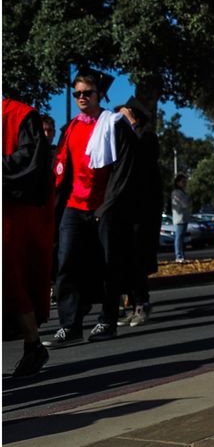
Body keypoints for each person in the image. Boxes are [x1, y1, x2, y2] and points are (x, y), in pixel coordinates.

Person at [47, 69, 137, 345]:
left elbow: (124, 170)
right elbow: (63, 170)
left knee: (108, 266)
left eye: (87, 93)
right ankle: (69, 325)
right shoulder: (70, 127)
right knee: (67, 264)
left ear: (100, 95)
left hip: (105, 207)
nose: (82, 98)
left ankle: (107, 320)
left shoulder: (115, 124)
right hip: (75, 206)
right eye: (77, 94)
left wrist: (107, 207)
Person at [3, 98, 54, 377]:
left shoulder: (21, 116)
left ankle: (33, 343)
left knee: (11, 278)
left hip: (14, 211)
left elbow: (30, 162)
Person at [118, 96, 163, 325]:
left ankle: (141, 303)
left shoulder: (146, 137)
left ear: (133, 115)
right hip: (127, 207)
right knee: (127, 258)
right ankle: (131, 304)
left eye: (124, 113)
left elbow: (141, 163)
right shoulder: (128, 136)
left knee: (137, 258)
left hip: (142, 208)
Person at [171, 173, 192, 264]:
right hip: (179, 218)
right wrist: (188, 201)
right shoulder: (176, 193)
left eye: (185, 182)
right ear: (178, 182)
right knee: (179, 237)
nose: (184, 183)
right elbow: (185, 204)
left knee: (181, 238)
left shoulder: (182, 192)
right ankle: (178, 256)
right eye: (183, 181)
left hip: (184, 217)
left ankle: (182, 256)